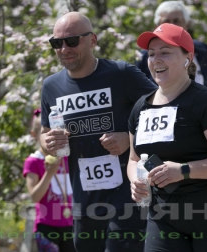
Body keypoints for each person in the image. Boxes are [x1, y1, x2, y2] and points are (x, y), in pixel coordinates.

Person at [128, 23, 207, 252]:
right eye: (151, 53)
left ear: (188, 58)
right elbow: (134, 159)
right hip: (165, 215)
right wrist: (135, 181)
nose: (156, 59)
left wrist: (183, 170)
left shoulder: (205, 101)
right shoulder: (140, 108)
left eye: (165, 52)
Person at [40, 11, 157, 252]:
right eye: (56, 43)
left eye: (72, 41)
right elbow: (44, 135)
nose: (64, 48)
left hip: (127, 197)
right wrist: (48, 142)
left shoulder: (121, 74)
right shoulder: (51, 86)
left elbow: (162, 111)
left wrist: (129, 139)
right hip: (85, 200)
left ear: (92, 40)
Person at [135, 1, 207, 96]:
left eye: (176, 21)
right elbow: (138, 89)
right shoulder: (145, 57)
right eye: (166, 22)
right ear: (157, 26)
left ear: (187, 25)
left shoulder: (203, 50)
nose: (172, 25)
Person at [23, 109, 75, 252]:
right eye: (45, 132)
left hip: (72, 224)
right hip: (46, 226)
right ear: (35, 135)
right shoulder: (33, 161)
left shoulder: (67, 157)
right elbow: (35, 196)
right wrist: (49, 173)